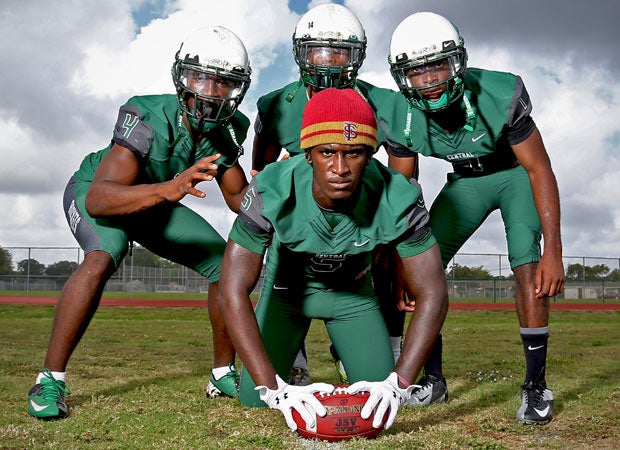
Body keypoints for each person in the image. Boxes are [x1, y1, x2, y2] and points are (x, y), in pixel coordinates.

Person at [27, 26, 252, 420]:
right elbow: (100, 197)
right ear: (182, 77)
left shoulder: (229, 129)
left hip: (157, 200)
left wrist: (277, 191)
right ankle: (49, 378)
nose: (212, 90)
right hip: (101, 193)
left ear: (237, 88)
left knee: (225, 261)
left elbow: (237, 198)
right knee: (102, 255)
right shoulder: (148, 113)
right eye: (202, 77)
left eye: (224, 82)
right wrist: (167, 188)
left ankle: (221, 374)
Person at [218, 88, 449, 432]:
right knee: (256, 398)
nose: (340, 168)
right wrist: (275, 389)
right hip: (286, 295)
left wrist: (399, 385)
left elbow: (433, 292)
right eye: (328, 152)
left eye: (354, 153)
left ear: (370, 156)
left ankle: (348, 357)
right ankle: (285, 369)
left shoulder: (398, 195)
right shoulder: (272, 187)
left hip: (352, 297)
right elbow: (232, 288)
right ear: (307, 153)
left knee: (376, 400)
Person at [384, 12, 565, 424]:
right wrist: (399, 257)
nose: (429, 79)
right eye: (417, 71)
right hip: (464, 182)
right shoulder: (399, 113)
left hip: (515, 175)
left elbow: (539, 169)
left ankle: (536, 387)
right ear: (402, 76)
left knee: (528, 266)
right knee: (420, 268)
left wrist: (554, 248)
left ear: (457, 61)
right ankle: (433, 381)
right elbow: (400, 189)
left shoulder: (498, 92)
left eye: (437, 65)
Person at [252, 2, 409, 387]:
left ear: (356, 58)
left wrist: (388, 218)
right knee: (286, 263)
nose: (327, 63)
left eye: (339, 52)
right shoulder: (277, 104)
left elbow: (404, 169)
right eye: (317, 51)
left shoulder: (382, 102)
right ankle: (295, 352)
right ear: (300, 54)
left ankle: (381, 346)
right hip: (303, 212)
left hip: (361, 210)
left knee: (389, 258)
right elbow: (261, 169)